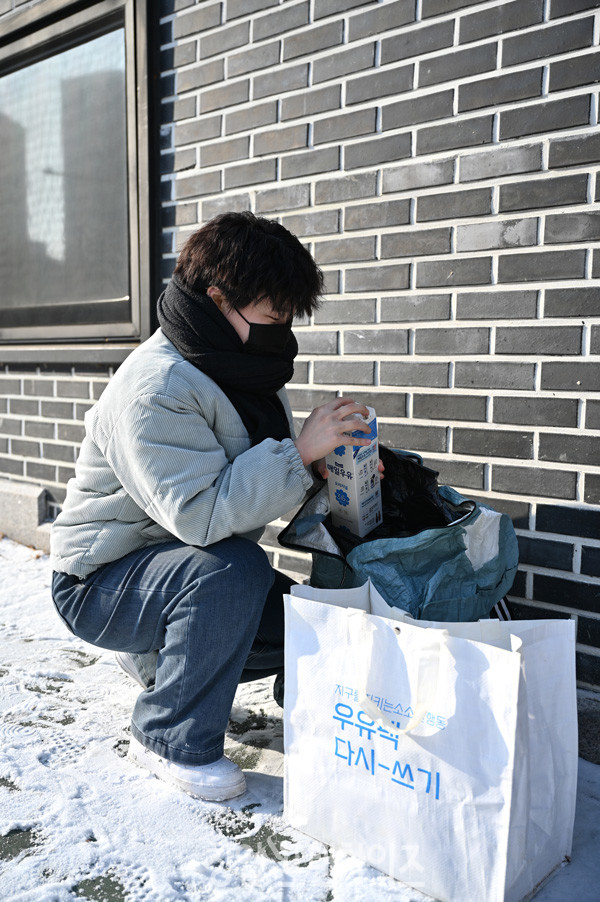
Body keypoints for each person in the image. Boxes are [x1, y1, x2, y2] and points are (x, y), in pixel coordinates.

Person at [50, 211, 375, 802]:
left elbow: (244, 478)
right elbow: (200, 516)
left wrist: (325, 470)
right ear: (218, 297)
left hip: (178, 567)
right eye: (272, 316)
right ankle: (169, 737)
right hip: (101, 581)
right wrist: (297, 451)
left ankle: (167, 664)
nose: (283, 331)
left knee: (304, 623)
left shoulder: (235, 363)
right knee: (233, 574)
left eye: (288, 317)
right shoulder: (156, 387)